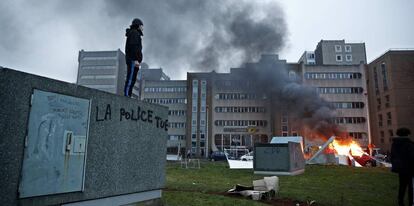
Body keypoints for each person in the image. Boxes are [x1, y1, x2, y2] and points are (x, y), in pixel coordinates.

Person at [391, 127, 414, 206]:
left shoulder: (395, 143)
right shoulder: (409, 144)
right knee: (411, 187)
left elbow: (392, 156)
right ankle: (411, 202)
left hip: (400, 168)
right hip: (409, 168)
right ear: (408, 134)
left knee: (402, 185)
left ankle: (400, 201)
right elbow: (412, 156)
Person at [124, 18, 144, 97]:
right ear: (138, 26)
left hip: (134, 60)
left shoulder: (135, 34)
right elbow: (134, 47)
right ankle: (127, 95)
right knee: (130, 78)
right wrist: (136, 59)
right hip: (132, 60)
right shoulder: (134, 33)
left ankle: (128, 94)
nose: (143, 28)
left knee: (132, 79)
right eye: (142, 26)